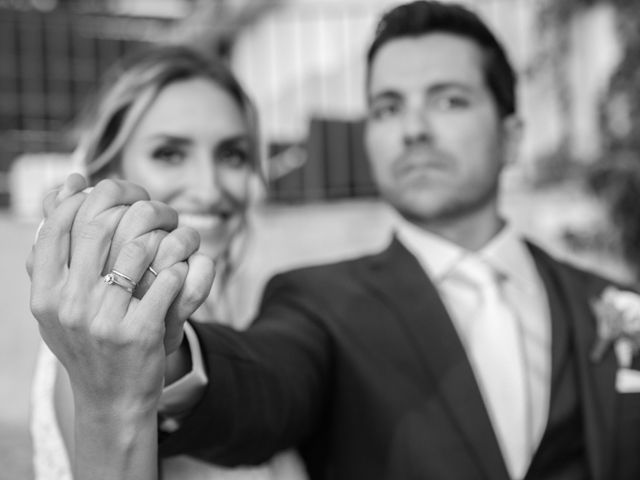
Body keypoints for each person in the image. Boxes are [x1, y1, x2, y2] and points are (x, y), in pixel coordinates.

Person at [28, 1, 640, 479]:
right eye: (386, 108)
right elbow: (263, 383)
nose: (415, 130)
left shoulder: (612, 303)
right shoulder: (313, 299)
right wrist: (166, 355)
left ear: (511, 137)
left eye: (448, 101)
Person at [28, 45, 307, 480]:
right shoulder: (95, 340)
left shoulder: (254, 303)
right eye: (170, 154)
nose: (209, 188)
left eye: (232, 155)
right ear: (110, 167)